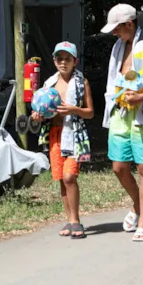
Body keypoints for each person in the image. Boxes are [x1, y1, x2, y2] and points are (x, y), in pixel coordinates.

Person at [100, 4, 143, 242]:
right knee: (119, 166)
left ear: (129, 24)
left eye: (117, 29)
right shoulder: (119, 46)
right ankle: (138, 205)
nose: (114, 34)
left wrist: (142, 97)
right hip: (120, 110)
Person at [31, 41, 94, 239]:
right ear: (54, 61)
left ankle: (76, 220)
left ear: (75, 61)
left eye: (68, 59)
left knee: (69, 177)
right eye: (60, 58)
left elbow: (90, 113)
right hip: (55, 136)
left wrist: (74, 109)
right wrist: (37, 116)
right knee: (61, 179)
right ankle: (69, 219)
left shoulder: (82, 83)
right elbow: (41, 110)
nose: (63, 62)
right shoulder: (49, 85)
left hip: (74, 135)